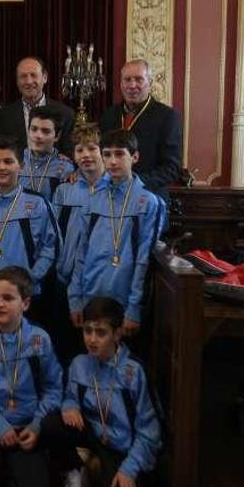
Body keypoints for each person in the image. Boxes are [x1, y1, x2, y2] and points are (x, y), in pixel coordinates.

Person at [43, 297, 161, 487]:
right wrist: (69, 406)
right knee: (51, 424)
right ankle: (75, 471)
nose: (92, 339)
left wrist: (129, 469)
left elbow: (150, 431)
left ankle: (98, 468)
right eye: (87, 331)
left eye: (101, 333)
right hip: (93, 438)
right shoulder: (79, 363)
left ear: (117, 334)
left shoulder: (135, 372)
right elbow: (70, 396)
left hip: (123, 449)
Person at [0, 266, 63, 487]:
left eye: (8, 298)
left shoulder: (40, 338)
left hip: (26, 425)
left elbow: (54, 388)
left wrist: (37, 425)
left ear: (25, 304)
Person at [68, 130, 163, 338]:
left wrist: (134, 308)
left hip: (125, 298)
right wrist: (75, 299)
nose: (112, 162)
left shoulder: (148, 203)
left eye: (119, 154)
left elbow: (143, 260)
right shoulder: (93, 199)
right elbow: (80, 253)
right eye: (107, 154)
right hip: (91, 294)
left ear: (135, 157)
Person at [0, 136, 58, 325]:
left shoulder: (38, 203)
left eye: (8, 161)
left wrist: (30, 278)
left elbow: (52, 247)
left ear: (21, 166)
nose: (1, 167)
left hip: (25, 295)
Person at [51, 123, 108, 363]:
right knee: (67, 350)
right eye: (79, 150)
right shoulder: (65, 190)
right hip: (65, 281)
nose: (85, 155)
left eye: (92, 148)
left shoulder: (115, 191)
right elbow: (54, 235)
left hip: (100, 283)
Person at [99, 59, 182, 201]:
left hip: (149, 198)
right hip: (111, 198)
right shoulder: (109, 115)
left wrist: (134, 183)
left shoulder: (167, 116)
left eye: (139, 79)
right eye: (127, 80)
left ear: (149, 83)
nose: (132, 85)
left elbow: (171, 168)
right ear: (121, 84)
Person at [0, 57, 75, 157]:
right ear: (17, 81)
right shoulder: (5, 115)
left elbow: (69, 153)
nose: (29, 81)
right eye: (23, 76)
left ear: (45, 77)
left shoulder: (65, 114)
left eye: (34, 75)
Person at [19, 106, 76, 201]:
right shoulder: (16, 161)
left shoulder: (65, 168)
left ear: (57, 136)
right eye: (34, 129)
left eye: (45, 131)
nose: (38, 136)